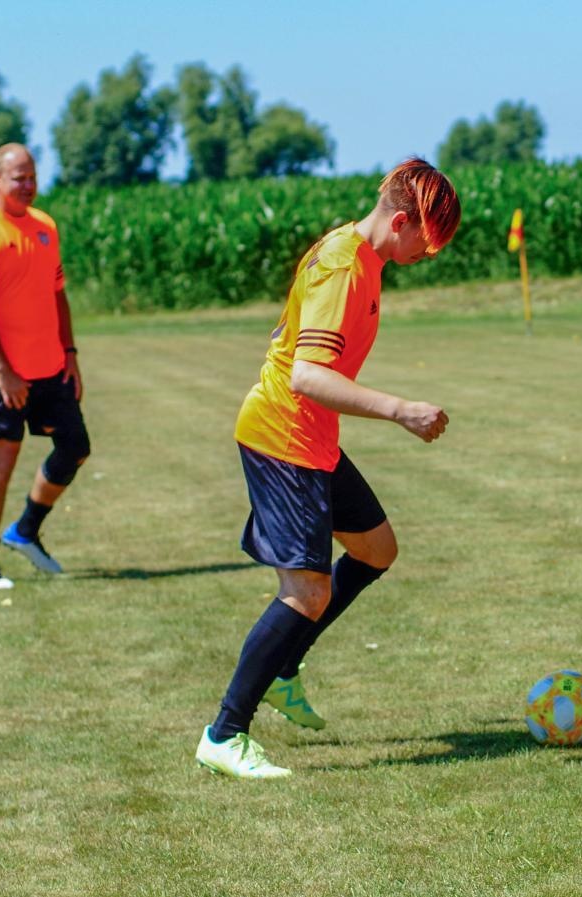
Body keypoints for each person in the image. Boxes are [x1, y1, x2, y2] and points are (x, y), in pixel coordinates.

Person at [195, 158, 461, 780]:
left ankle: (286, 667)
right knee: (307, 591)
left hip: (312, 440)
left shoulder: (353, 251)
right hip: (283, 437)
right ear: (401, 220)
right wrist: (401, 411)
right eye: (427, 242)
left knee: (376, 550)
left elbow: (295, 326)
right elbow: (309, 377)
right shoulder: (345, 266)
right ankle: (224, 734)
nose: (428, 255)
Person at [0, 143, 90, 589]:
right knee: (2, 461)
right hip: (1, 375)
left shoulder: (45, 227)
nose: (28, 185)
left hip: (50, 367)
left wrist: (69, 354)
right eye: (19, 178)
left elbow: (57, 295)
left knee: (75, 447)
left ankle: (26, 530)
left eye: (32, 176)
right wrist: (3, 370)